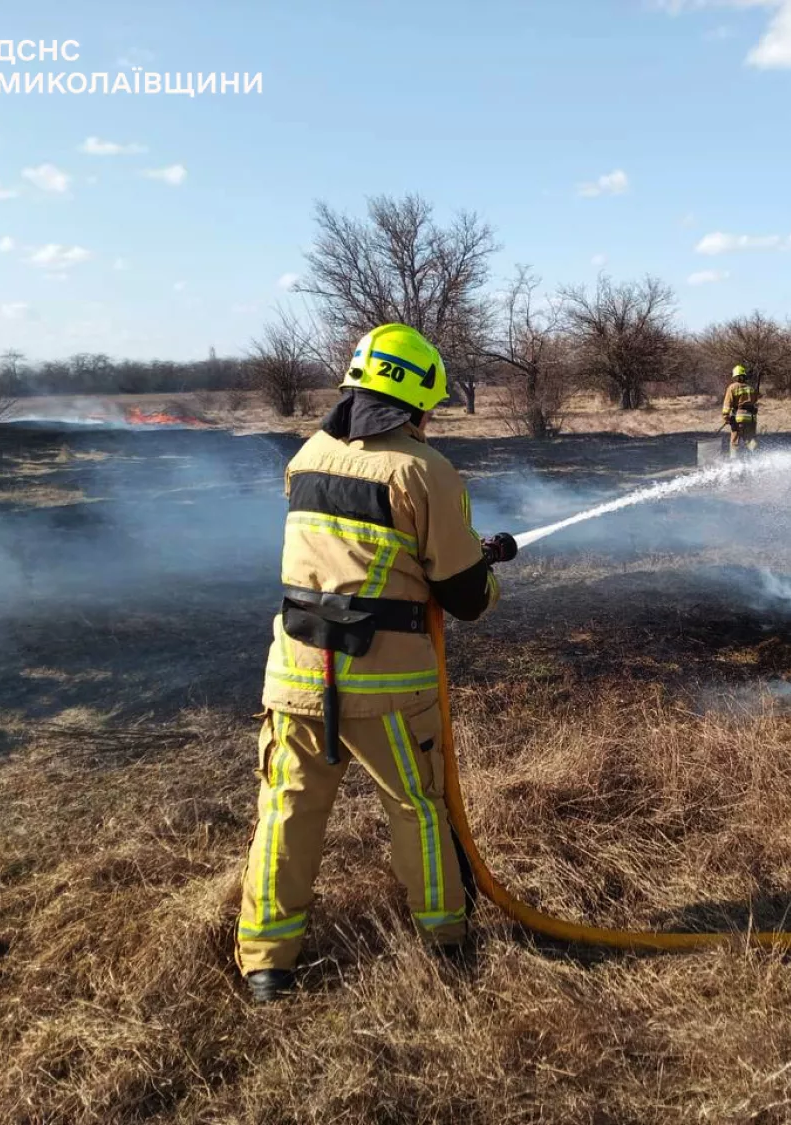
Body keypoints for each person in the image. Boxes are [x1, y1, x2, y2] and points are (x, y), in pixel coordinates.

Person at [236, 322, 513, 1003]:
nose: (429, 418)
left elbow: (350, 554)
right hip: (387, 682)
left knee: (286, 810)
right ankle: (446, 941)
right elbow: (464, 594)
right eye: (429, 406)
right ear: (414, 399)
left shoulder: (305, 458)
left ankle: (268, 964)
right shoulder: (425, 470)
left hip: (296, 675)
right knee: (416, 806)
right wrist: (486, 564)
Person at [721, 364, 759, 456]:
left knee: (735, 440)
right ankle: (757, 455)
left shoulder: (732, 387)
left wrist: (726, 416)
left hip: (740, 418)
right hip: (752, 419)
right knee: (749, 439)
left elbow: (727, 403)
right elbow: (755, 402)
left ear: (735, 377)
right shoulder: (750, 388)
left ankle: (734, 461)